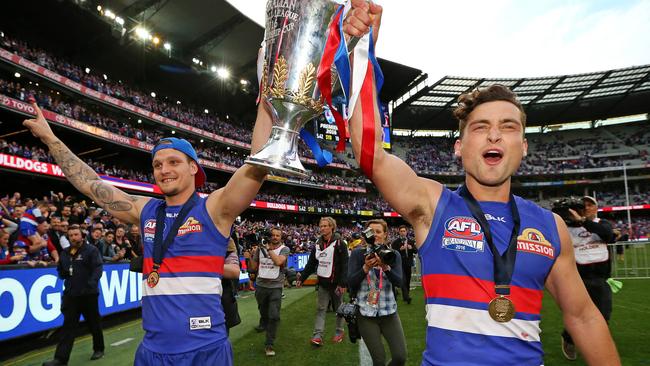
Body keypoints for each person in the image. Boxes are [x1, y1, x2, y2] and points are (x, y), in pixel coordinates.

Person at [343, 4, 620, 364]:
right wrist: (362, 50)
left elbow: (583, 316)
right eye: (479, 127)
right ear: (459, 147)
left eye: (508, 127)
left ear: (523, 146)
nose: (493, 134)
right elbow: (371, 154)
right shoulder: (432, 205)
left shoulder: (551, 228)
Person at [23, 100, 271, 366]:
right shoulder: (145, 210)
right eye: (157, 164)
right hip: (152, 352)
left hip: (205, 350)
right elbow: (90, 184)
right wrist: (50, 139)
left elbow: (258, 165)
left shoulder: (214, 208)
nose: (164, 170)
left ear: (193, 168)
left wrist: (265, 102)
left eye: (173, 161)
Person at [559, 196, 616, 361]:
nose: (587, 207)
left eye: (590, 204)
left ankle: (596, 347)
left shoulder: (602, 223)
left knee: (604, 315)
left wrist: (583, 221)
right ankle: (568, 338)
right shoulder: (568, 227)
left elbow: (608, 234)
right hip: (578, 279)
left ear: (596, 208)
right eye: (584, 205)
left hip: (600, 278)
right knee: (577, 316)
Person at [43, 225, 104, 366]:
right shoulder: (65, 252)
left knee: (94, 323)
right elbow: (61, 269)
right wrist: (62, 273)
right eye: (70, 235)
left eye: (76, 234)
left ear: (81, 235)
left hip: (88, 295)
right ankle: (61, 359)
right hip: (71, 295)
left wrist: (91, 284)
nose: (73, 237)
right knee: (68, 327)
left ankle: (99, 348)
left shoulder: (91, 250)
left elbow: (97, 268)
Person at [348, 220, 407, 366]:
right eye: (371, 232)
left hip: (389, 312)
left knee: (400, 357)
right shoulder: (357, 254)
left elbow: (399, 282)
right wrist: (365, 268)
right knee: (379, 360)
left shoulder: (393, 255)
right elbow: (350, 282)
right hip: (366, 314)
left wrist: (385, 267)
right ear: (366, 235)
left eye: (378, 232)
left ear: (385, 234)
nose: (375, 235)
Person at [296, 217, 349, 346]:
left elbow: (345, 265)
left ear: (332, 227)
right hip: (323, 284)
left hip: (336, 284)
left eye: (325, 226)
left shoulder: (340, 244)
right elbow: (311, 264)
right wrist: (302, 278)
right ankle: (317, 335)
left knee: (339, 309)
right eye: (321, 226)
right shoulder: (317, 245)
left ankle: (339, 331)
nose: (323, 228)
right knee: (321, 309)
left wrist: (343, 283)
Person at [250, 227, 290, 356]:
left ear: (281, 237)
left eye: (277, 235)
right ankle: (264, 323)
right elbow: (253, 267)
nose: (275, 237)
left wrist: (268, 249)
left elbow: (278, 262)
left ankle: (269, 344)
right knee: (264, 311)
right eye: (272, 235)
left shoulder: (284, 249)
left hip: (275, 287)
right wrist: (249, 256)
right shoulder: (260, 249)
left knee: (273, 316)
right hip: (261, 285)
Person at [390, 225, 416, 304]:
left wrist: (411, 248)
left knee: (408, 280)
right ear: (399, 232)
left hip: (408, 263)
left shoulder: (411, 241)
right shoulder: (395, 242)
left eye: (404, 231)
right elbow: (393, 252)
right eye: (401, 231)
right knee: (403, 280)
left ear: (406, 232)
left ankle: (406, 295)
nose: (403, 233)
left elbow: (416, 251)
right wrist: (399, 250)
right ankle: (406, 297)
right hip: (399, 263)